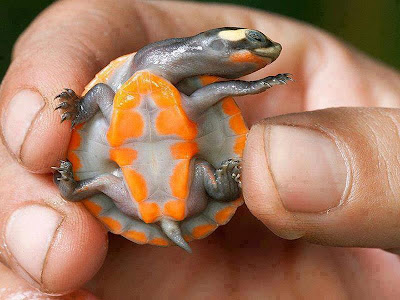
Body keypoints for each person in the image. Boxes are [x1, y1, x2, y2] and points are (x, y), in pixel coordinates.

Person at [1, 0, 400, 298]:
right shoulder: (179, 101)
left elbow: (218, 87)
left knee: (107, 180)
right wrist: (78, 106)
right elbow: (105, 93)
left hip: (138, 186)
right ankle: (209, 187)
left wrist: (259, 84)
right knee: (113, 178)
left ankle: (210, 187)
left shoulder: (183, 103)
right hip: (170, 187)